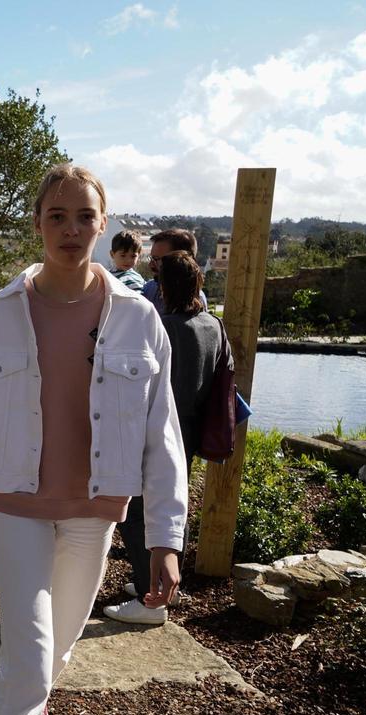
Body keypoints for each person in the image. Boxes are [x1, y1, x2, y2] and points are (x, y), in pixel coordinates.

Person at [0, 164, 188, 715]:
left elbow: (163, 434)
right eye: (57, 216)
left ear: (104, 225)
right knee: (23, 662)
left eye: (84, 217)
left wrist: (165, 537)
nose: (71, 229)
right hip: (16, 509)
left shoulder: (138, 319)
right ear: (38, 223)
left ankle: (44, 702)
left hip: (95, 512)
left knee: (60, 642)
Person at [105, 251, 230, 624]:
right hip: (192, 426)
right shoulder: (213, 325)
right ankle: (164, 583)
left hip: (159, 426)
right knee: (175, 502)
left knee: (138, 510)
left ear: (163, 286)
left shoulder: (166, 327)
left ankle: (151, 599)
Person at [141, 228, 208, 314]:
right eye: (151, 258)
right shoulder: (149, 289)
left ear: (182, 260)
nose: (150, 265)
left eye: (157, 259)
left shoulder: (195, 302)